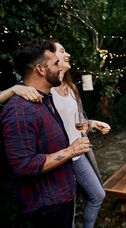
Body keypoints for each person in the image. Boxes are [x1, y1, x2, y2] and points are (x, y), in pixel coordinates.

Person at [0, 40, 111, 228]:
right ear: (41, 70)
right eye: (55, 63)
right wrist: (70, 151)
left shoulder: (45, 99)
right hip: (47, 206)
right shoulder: (20, 111)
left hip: (61, 194)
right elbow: (23, 166)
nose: (60, 66)